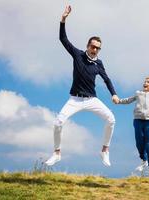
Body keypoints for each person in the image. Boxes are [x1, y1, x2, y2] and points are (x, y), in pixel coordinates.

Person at [45, 5, 119, 167]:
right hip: (75, 99)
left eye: (98, 48)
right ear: (87, 46)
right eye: (93, 46)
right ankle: (56, 153)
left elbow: (106, 79)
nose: (95, 49)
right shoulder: (77, 54)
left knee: (111, 119)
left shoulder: (99, 63)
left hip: (92, 99)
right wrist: (63, 20)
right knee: (58, 123)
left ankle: (104, 150)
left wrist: (113, 94)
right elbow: (63, 40)